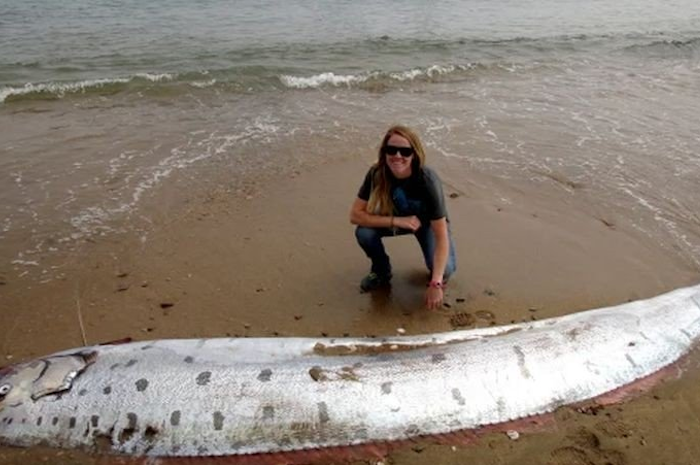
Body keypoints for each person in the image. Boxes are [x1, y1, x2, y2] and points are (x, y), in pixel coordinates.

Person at [349, 125, 457, 310]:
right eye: (391, 150)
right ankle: (381, 271)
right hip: (398, 221)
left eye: (405, 151)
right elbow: (355, 215)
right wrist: (396, 221)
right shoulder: (376, 173)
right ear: (384, 152)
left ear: (414, 154)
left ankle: (437, 276)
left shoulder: (427, 179)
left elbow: (440, 234)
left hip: (428, 225)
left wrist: (435, 284)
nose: (397, 156)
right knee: (364, 233)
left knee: (444, 270)